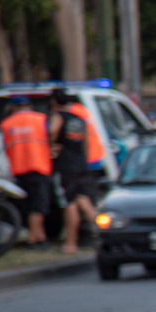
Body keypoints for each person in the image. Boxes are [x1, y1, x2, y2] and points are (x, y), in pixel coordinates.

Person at [0, 95, 52, 249]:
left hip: (18, 169)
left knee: (29, 205)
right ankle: (33, 240)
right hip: (39, 166)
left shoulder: (6, 123)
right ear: (30, 106)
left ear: (14, 107)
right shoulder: (41, 119)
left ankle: (41, 238)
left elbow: (5, 146)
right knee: (39, 206)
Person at [48, 89, 96, 253]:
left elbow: (52, 131)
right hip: (81, 165)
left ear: (54, 102)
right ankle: (104, 237)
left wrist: (51, 145)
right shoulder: (79, 119)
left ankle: (70, 243)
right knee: (85, 203)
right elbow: (86, 144)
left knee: (69, 203)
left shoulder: (58, 117)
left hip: (65, 166)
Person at [66, 94, 106, 206]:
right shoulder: (83, 110)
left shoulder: (74, 112)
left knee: (80, 196)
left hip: (86, 159)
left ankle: (91, 220)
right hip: (94, 158)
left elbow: (77, 138)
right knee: (89, 194)